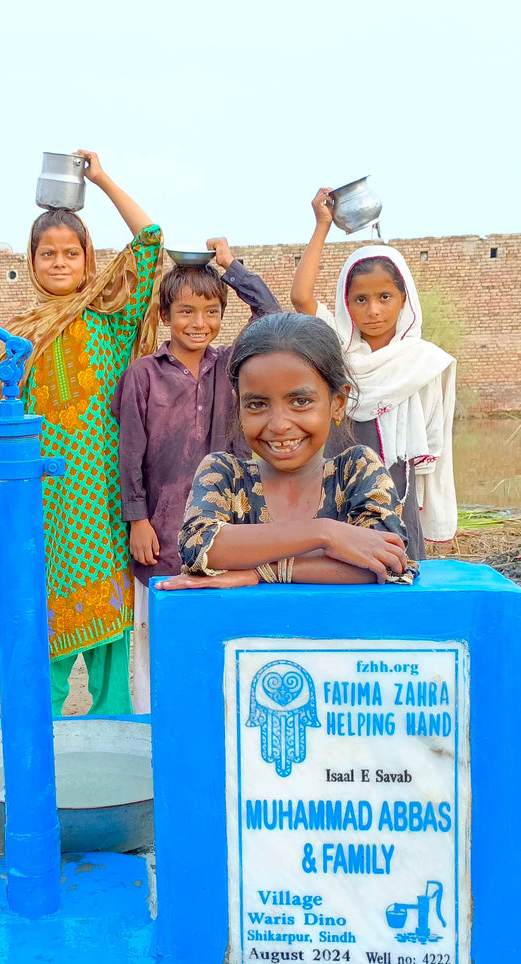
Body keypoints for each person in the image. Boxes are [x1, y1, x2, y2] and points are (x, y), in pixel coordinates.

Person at [7, 150, 163, 717]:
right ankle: (38, 750)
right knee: (44, 632)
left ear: (88, 259)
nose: (58, 262)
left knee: (109, 648)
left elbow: (149, 241)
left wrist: (99, 179)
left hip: (102, 499)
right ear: (30, 261)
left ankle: (112, 743)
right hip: (45, 502)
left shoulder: (112, 318)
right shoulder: (21, 335)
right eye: (46, 253)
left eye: (71, 253)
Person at [111, 238, 281, 710]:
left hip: (227, 530)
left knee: (218, 636)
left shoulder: (231, 365)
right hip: (161, 533)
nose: (199, 323)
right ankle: (154, 728)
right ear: (166, 315)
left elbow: (271, 317)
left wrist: (230, 266)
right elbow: (130, 451)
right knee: (156, 640)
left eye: (210, 312)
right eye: (186, 311)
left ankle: (216, 722)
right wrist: (137, 519)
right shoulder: (143, 374)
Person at [156, 312, 419, 592]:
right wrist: (325, 533)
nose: (279, 425)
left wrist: (260, 572)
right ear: (239, 406)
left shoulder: (356, 471)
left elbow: (386, 560)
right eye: (257, 404)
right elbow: (199, 547)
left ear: (338, 403)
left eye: (300, 401)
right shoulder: (225, 475)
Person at [289, 189, 457, 557]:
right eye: (360, 299)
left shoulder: (422, 360)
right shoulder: (337, 347)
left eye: (385, 297)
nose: (373, 311)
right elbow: (301, 297)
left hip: (397, 486)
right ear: (346, 304)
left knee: (398, 571)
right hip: (337, 484)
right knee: (338, 572)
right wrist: (322, 225)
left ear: (404, 300)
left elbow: (431, 436)